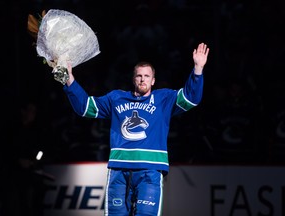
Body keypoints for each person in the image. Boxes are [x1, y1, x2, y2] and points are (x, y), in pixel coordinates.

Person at [62, 42, 209, 215]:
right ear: (133, 79)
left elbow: (191, 98)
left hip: (150, 170)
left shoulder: (164, 99)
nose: (142, 79)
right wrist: (68, 79)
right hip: (119, 170)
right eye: (139, 76)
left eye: (147, 76)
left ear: (153, 80)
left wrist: (198, 69)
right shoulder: (116, 98)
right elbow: (85, 107)